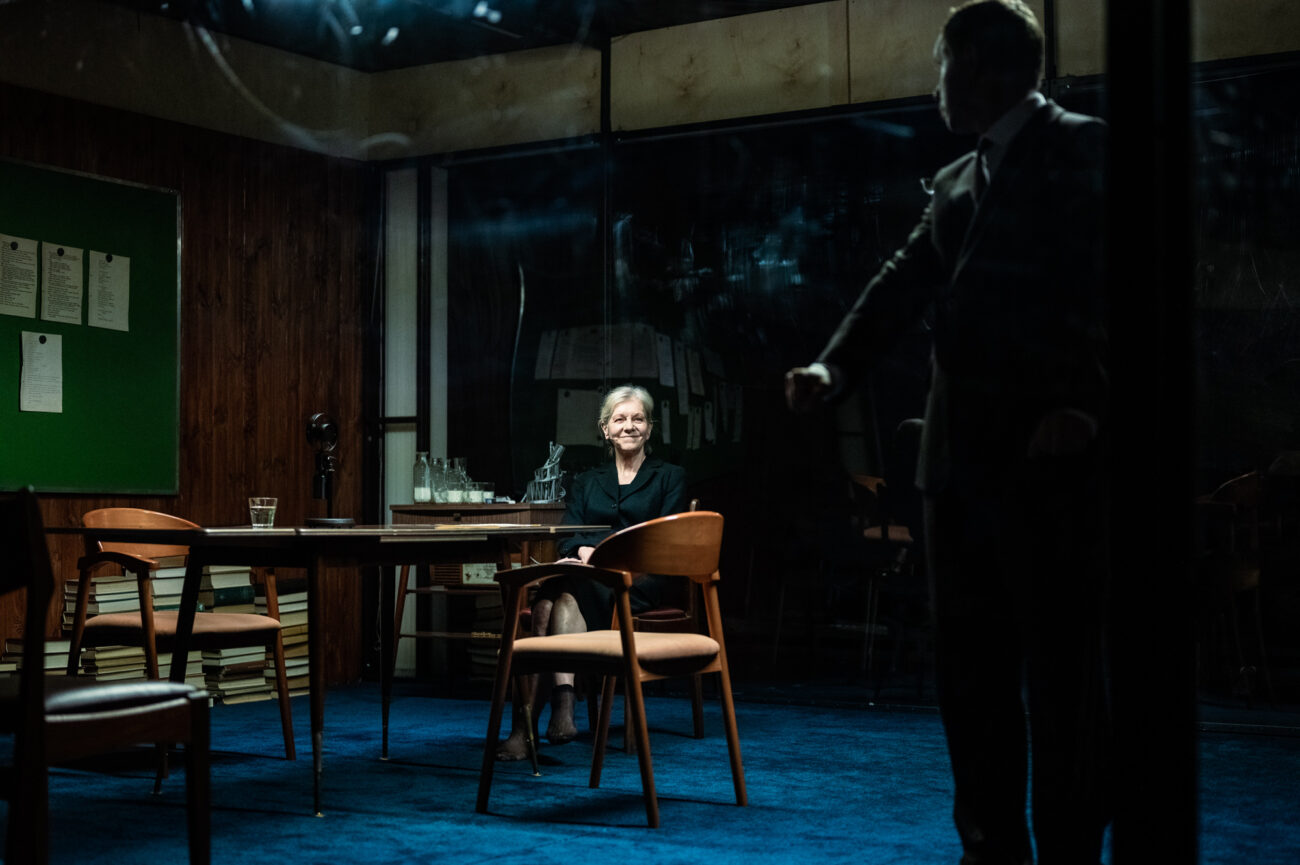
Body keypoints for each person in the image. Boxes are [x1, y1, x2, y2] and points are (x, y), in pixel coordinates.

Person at [785, 2, 1110, 863]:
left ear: (982, 70)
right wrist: (833, 369)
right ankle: (989, 849)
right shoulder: (958, 179)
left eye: (941, 66)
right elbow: (901, 284)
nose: (934, 85)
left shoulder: (1085, 148)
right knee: (971, 681)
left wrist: (1087, 404)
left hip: (1052, 462)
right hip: (957, 469)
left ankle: (1072, 850)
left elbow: (1125, 283)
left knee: (1065, 681)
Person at [496, 384, 688, 761]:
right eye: (620, 419)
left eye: (638, 419)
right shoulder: (587, 481)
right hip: (589, 578)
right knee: (554, 601)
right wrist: (584, 551)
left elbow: (665, 539)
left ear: (650, 428)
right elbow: (569, 535)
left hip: (642, 582)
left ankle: (532, 723)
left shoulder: (670, 476)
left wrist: (603, 554)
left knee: (548, 602)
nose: (629, 426)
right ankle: (555, 708)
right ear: (605, 429)